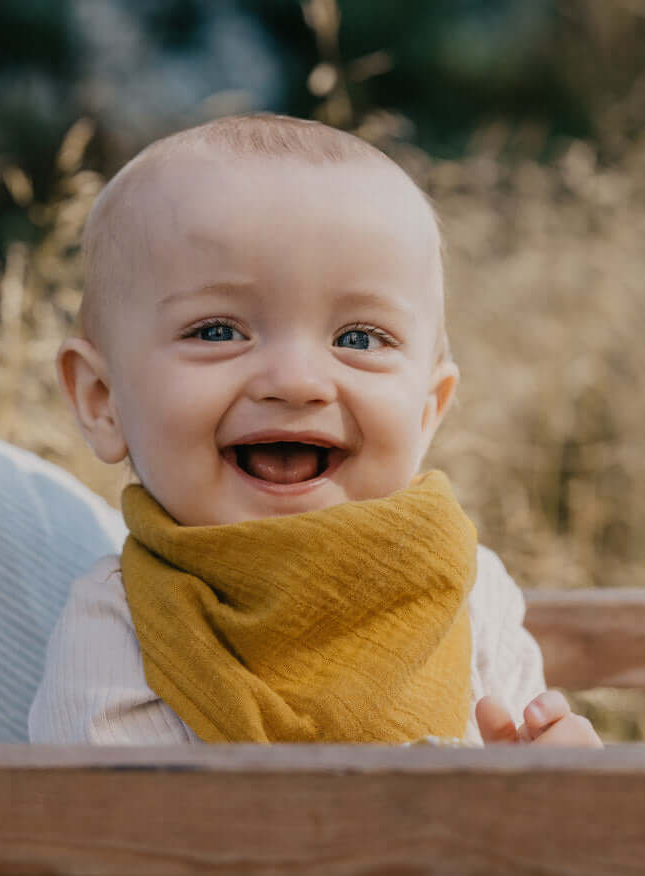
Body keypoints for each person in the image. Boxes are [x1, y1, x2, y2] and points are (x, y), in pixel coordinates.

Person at [29, 113, 601, 748]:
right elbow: (114, 829)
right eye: (218, 331)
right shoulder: (120, 624)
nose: (297, 381)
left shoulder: (467, 586)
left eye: (358, 338)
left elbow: (533, 809)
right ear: (102, 399)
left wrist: (554, 778)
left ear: (426, 411)